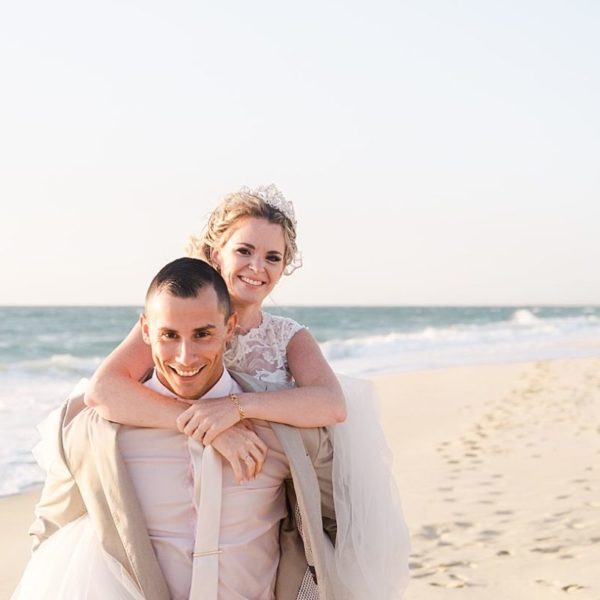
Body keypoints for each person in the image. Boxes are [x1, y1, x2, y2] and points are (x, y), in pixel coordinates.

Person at [83, 184, 410, 599]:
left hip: (256, 498)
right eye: (245, 251)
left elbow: (331, 404)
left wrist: (235, 409)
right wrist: (207, 426)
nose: (257, 266)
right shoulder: (176, 318)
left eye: (273, 257)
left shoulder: (287, 336)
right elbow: (105, 387)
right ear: (215, 251)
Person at [13, 258, 337, 600]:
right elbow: (50, 534)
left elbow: (333, 527)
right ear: (147, 330)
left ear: (229, 328)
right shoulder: (96, 436)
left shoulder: (282, 429)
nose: (185, 357)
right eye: (169, 335)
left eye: (202, 334)